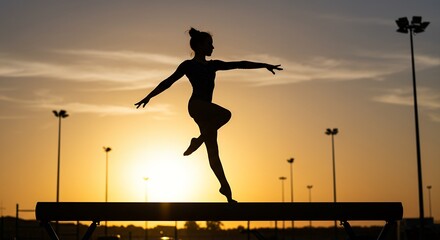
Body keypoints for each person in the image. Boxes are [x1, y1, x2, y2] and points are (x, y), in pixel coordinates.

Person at [135, 28, 282, 203]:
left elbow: (240, 63)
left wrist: (264, 65)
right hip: (197, 106)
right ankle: (198, 140)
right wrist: (149, 96)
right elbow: (168, 82)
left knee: (213, 152)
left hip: (207, 113)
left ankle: (226, 191)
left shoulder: (213, 65)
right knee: (226, 114)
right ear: (199, 46)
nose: (213, 47)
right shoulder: (188, 65)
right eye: (209, 44)